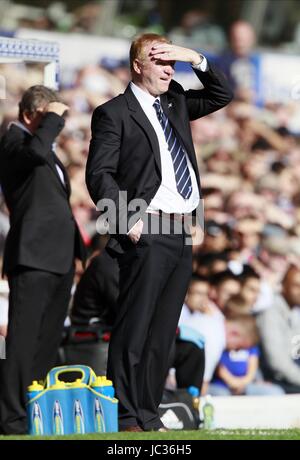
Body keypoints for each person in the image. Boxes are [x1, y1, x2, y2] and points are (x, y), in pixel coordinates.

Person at [86, 33, 232, 432]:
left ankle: (149, 414)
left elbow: (222, 93)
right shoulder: (114, 112)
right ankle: (126, 415)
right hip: (145, 226)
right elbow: (99, 174)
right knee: (136, 327)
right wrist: (127, 222)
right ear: (138, 65)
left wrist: (193, 57)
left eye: (173, 63)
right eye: (162, 62)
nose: (170, 70)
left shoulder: (177, 101)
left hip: (182, 229)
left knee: (164, 331)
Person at [0, 85, 86, 435]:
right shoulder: (12, 141)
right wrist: (51, 116)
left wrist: (77, 252)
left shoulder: (45, 150)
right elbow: (34, 150)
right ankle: (12, 415)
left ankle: (35, 408)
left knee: (48, 337)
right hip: (32, 255)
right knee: (23, 338)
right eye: (51, 116)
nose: (58, 123)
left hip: (59, 256)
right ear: (29, 115)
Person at [209, 315, 284, 396]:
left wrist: (242, 383)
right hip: (221, 386)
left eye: (240, 348)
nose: (236, 350)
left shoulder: (250, 348)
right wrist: (233, 383)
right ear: (234, 334)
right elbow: (220, 369)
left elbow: (252, 371)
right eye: (238, 347)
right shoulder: (218, 345)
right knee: (222, 394)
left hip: (246, 386)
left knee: (276, 392)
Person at [256, 265, 300, 393]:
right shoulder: (270, 313)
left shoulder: (294, 312)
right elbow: (277, 362)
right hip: (275, 381)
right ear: (283, 287)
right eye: (296, 286)